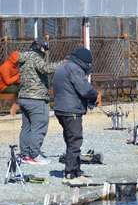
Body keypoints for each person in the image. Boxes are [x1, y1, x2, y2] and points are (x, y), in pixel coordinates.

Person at [53, 48, 99, 185]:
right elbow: (85, 89)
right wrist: (95, 95)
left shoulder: (63, 66)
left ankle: (77, 172)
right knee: (75, 141)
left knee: (70, 141)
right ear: (83, 61)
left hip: (61, 109)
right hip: (70, 110)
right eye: (88, 64)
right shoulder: (75, 69)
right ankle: (70, 175)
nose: (88, 67)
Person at [18, 37, 63, 165]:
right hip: (36, 99)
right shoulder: (35, 57)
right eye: (45, 49)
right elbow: (46, 68)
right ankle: (34, 155)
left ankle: (24, 154)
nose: (45, 52)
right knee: (40, 125)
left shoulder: (24, 58)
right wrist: (63, 62)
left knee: (26, 128)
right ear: (41, 48)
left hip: (24, 98)